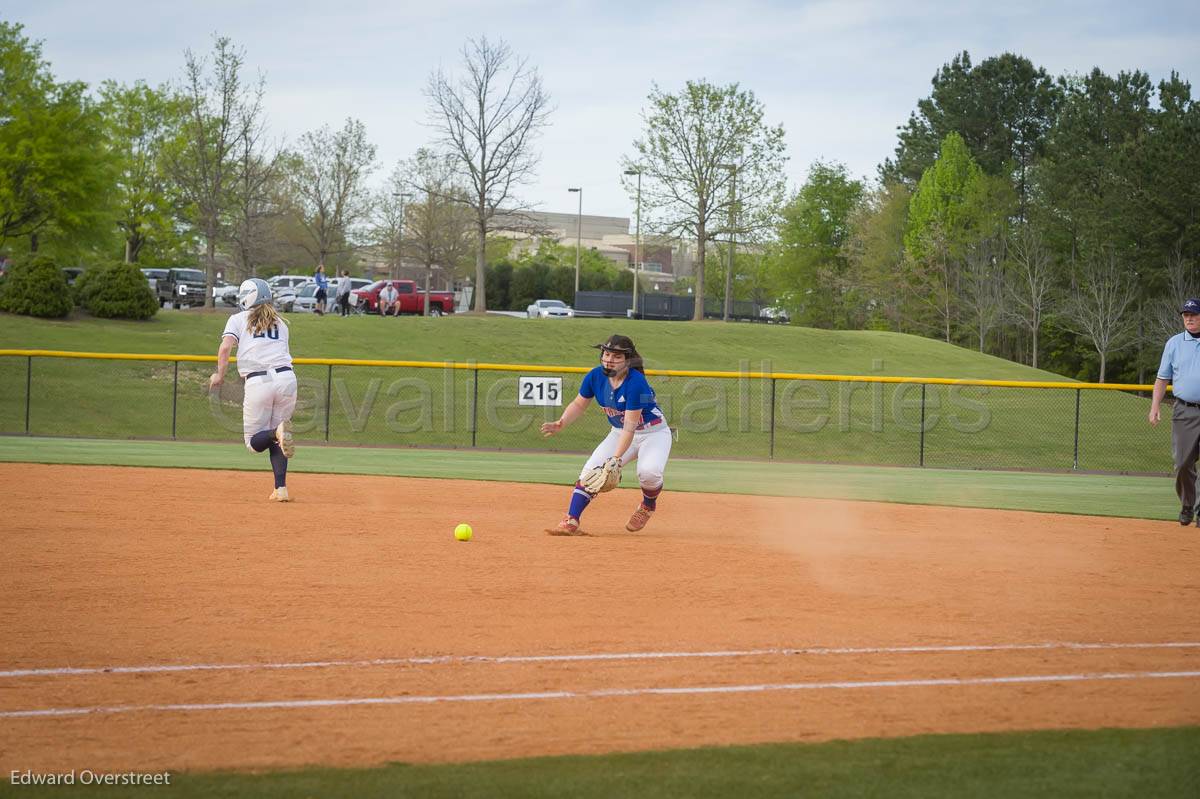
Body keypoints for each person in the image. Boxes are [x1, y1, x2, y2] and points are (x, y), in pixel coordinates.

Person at [540, 334, 672, 535]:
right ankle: (571, 520)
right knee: (590, 472)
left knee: (649, 473)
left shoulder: (636, 382)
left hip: (653, 434)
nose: (609, 359)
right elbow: (579, 404)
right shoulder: (595, 376)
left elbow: (630, 426)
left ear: (627, 360)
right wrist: (562, 422)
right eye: (607, 354)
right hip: (619, 432)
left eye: (616, 356)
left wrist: (616, 459)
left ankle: (647, 505)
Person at [209, 278, 298, 502]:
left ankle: (275, 434)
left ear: (246, 297)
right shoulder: (281, 323)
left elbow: (225, 347)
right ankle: (281, 489)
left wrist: (219, 375)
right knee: (280, 434)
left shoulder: (238, 319)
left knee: (253, 443)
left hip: (259, 381)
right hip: (287, 379)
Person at [1150, 297, 1200, 526]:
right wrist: (1155, 407)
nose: (1189, 318)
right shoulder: (1174, 343)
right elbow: (1162, 378)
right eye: (1186, 315)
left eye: (1194, 314)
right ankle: (1187, 504)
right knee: (1182, 463)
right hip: (1185, 410)